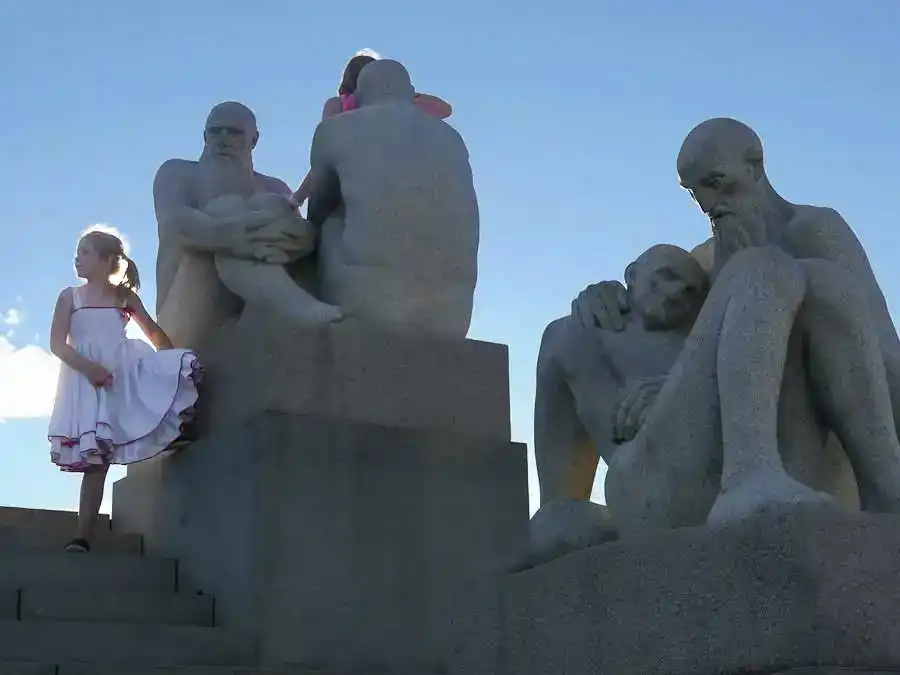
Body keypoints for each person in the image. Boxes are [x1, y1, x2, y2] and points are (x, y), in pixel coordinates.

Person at [568, 118, 900, 532]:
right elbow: (683, 351)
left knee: (819, 281)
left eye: (716, 183)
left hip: (792, 464)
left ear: (755, 166)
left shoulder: (814, 230)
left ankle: (886, 488)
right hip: (664, 474)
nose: (707, 204)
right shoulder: (703, 263)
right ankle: (749, 474)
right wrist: (606, 294)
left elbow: (884, 359)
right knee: (763, 267)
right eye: (695, 193)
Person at [48, 228, 201, 552]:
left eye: (85, 252)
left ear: (106, 261)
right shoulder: (69, 296)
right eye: (78, 252)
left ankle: (176, 431)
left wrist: (173, 368)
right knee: (96, 460)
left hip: (121, 373)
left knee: (169, 376)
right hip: (85, 378)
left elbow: (154, 332)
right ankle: (82, 536)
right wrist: (90, 369)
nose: (77, 258)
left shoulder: (124, 297)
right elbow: (57, 345)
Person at [290, 51, 454, 209]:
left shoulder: (339, 104)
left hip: (348, 179)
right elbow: (444, 110)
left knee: (318, 212)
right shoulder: (401, 105)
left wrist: (298, 198)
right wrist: (407, 93)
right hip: (394, 173)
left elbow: (326, 152)